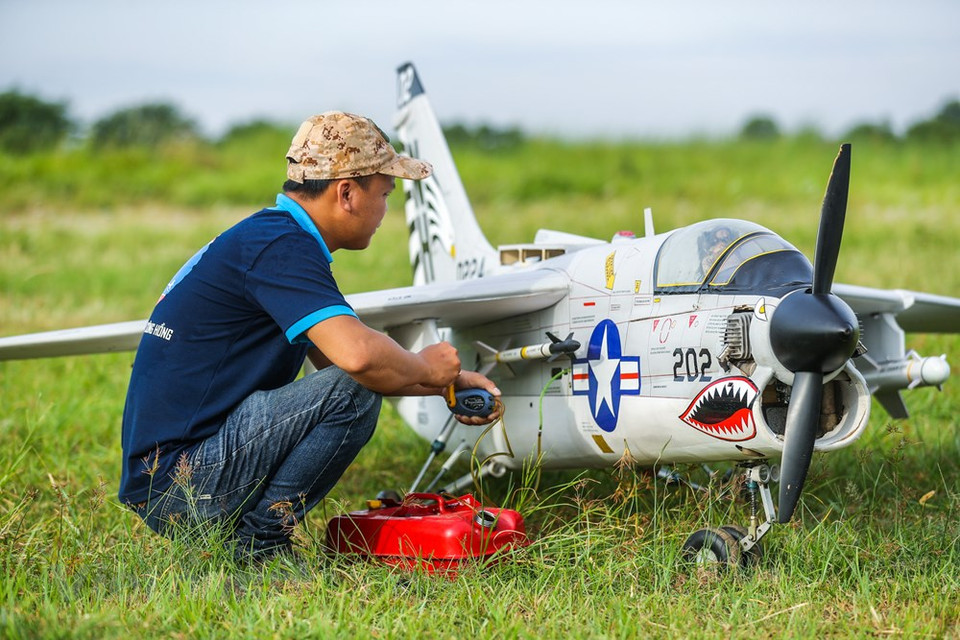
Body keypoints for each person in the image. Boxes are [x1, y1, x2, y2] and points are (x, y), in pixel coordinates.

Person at [120, 111, 500, 560]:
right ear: (346, 194)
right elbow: (356, 360)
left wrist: (444, 385)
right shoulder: (282, 249)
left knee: (351, 383)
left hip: (172, 476)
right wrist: (425, 366)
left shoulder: (275, 239)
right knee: (351, 392)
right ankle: (260, 546)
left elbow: (337, 357)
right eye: (384, 194)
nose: (384, 211)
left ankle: (251, 538)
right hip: (181, 483)